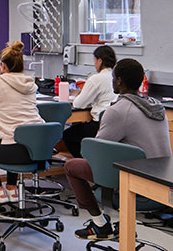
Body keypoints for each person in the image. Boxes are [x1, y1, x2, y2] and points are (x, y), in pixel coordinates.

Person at [65, 58, 171, 240]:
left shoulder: (118, 111)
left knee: (71, 166)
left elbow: (95, 154)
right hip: (163, 183)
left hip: (138, 185)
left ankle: (100, 225)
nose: (112, 81)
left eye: (113, 78)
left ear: (119, 81)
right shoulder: (156, 106)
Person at [0, 41, 44, 203]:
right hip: (38, 149)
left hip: (14, 152)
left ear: (3, 66)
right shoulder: (30, 82)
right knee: (16, 133)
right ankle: (11, 187)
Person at [63, 46, 117, 158]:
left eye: (95, 60)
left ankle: (84, 162)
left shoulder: (96, 78)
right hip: (115, 125)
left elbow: (78, 104)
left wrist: (77, 95)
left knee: (68, 135)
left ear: (100, 61)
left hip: (100, 124)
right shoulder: (117, 77)